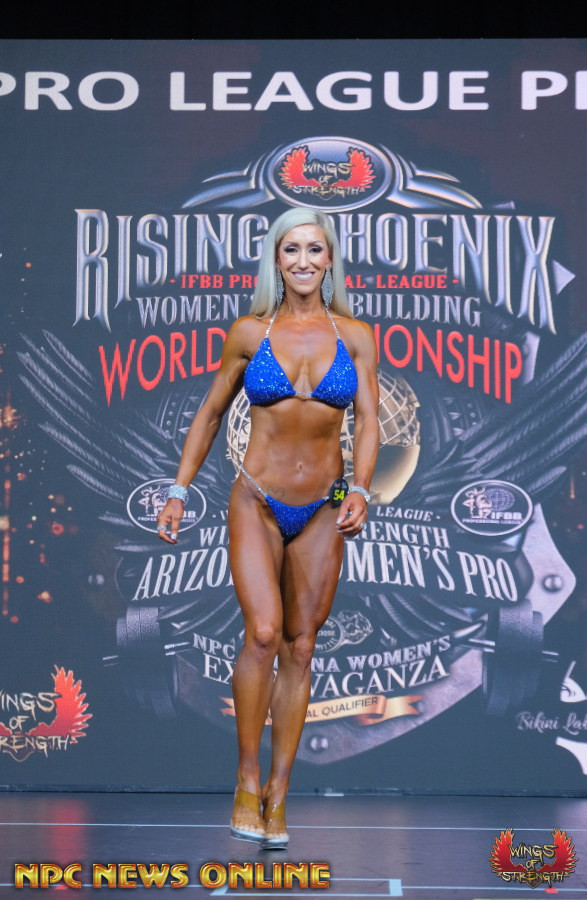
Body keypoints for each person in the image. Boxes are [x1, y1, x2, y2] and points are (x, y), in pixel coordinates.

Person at [157, 207, 379, 848]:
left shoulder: (356, 336)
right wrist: (178, 491)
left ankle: (279, 792)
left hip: (322, 508)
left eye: (314, 249)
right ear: (276, 260)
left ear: (330, 260)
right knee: (261, 634)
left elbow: (368, 419)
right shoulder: (249, 332)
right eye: (291, 250)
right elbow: (209, 413)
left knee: (300, 646)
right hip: (256, 498)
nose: (303, 261)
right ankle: (246, 778)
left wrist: (361, 488)